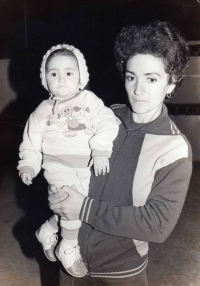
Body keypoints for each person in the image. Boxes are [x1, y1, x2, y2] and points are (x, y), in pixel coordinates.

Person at [48, 21, 193, 286]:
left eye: (151, 79)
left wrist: (83, 208)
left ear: (171, 82)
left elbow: (157, 225)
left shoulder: (173, 148)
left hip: (123, 271)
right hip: (71, 260)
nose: (138, 90)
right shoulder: (105, 116)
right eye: (131, 77)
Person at [17, 44, 119, 277]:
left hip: (85, 166)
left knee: (77, 208)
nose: (61, 79)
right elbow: (31, 142)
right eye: (54, 74)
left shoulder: (89, 100)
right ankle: (67, 247)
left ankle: (47, 230)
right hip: (56, 166)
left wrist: (101, 150)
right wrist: (28, 165)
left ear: (80, 76)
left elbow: (108, 122)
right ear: (45, 79)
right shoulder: (41, 112)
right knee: (69, 201)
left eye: (69, 73)